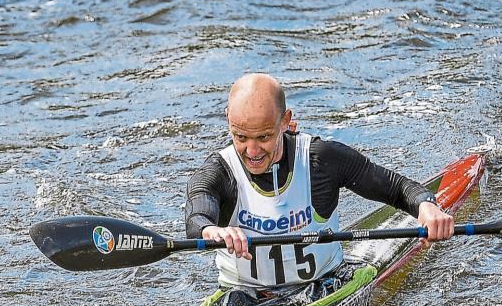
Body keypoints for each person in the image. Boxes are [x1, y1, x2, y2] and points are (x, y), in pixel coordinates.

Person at [185, 73, 454, 294]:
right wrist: (211, 231)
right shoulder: (219, 170)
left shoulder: (320, 159)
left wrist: (427, 206)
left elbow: (395, 187)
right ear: (228, 120)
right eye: (240, 137)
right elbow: (197, 215)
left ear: (285, 121)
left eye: (264, 137)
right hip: (244, 297)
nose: (252, 151)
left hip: (321, 287)